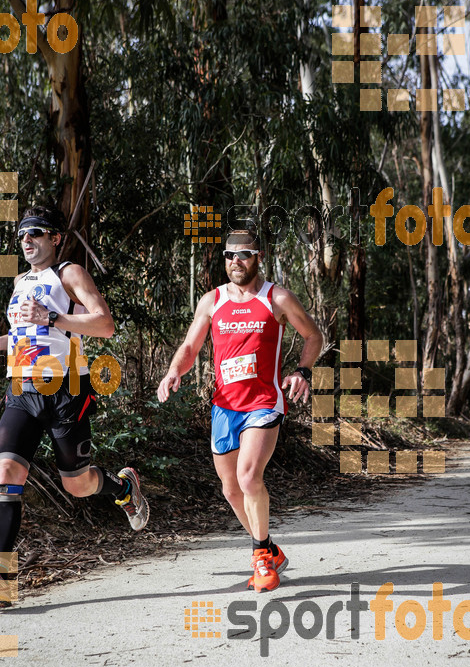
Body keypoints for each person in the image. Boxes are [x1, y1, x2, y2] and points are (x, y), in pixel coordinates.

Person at [158, 227, 323, 592]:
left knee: (250, 478)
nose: (236, 261)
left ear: (258, 257)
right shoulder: (212, 301)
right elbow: (190, 346)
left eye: (244, 254)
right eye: (230, 255)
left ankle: (261, 556)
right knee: (232, 489)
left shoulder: (276, 298)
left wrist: (302, 371)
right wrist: (174, 370)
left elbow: (314, 335)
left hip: (263, 402)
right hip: (225, 406)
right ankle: (269, 548)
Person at [0, 206, 149, 607]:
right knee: (6, 473)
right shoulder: (19, 281)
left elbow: (105, 324)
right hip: (23, 389)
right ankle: (3, 586)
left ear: (55, 238)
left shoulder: (68, 273)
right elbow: (21, 337)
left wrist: (53, 316)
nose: (27, 240)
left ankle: (123, 486)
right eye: (22, 236)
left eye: (35, 233)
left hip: (67, 391)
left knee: (77, 485)